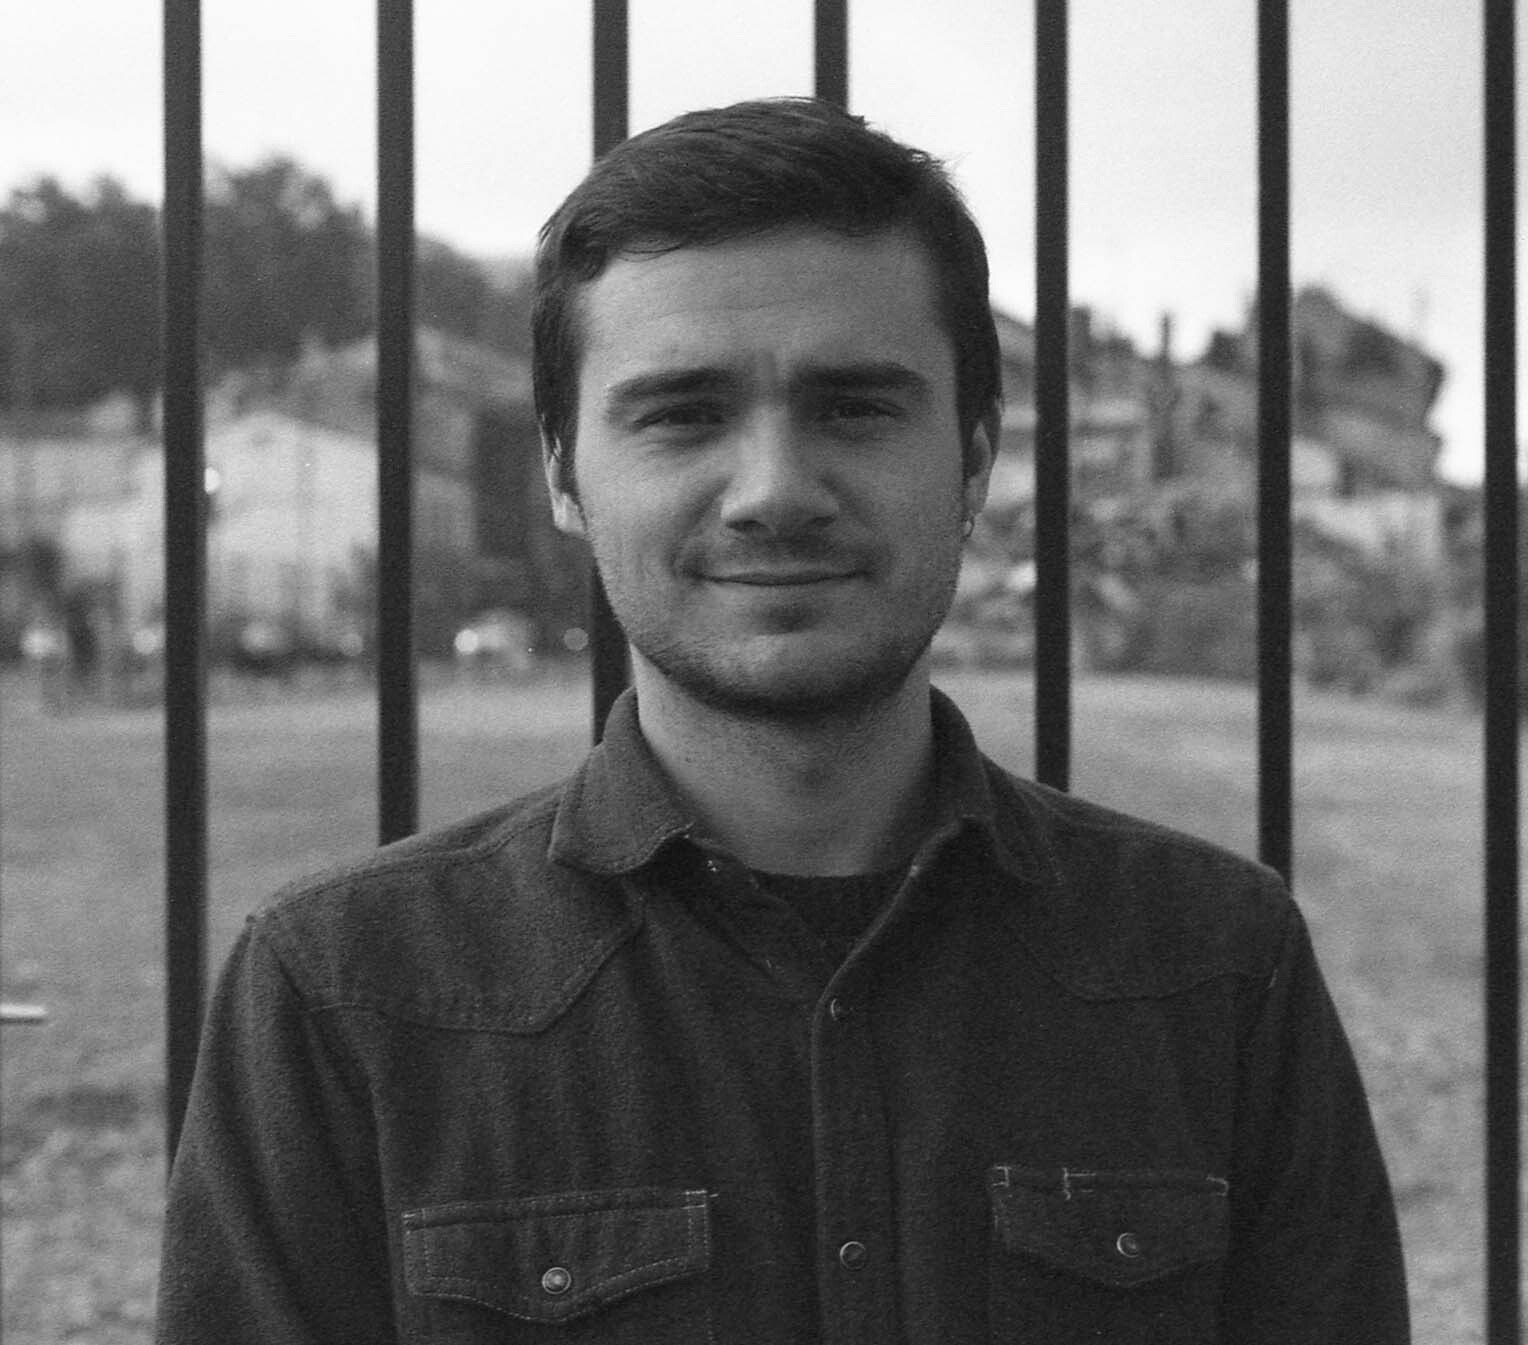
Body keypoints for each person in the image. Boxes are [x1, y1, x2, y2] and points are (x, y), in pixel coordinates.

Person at [157, 98, 1408, 1343]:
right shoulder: (343, 995)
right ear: (563, 471)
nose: (773, 491)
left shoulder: (1216, 968)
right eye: (682, 413)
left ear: (975, 457)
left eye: (854, 407)